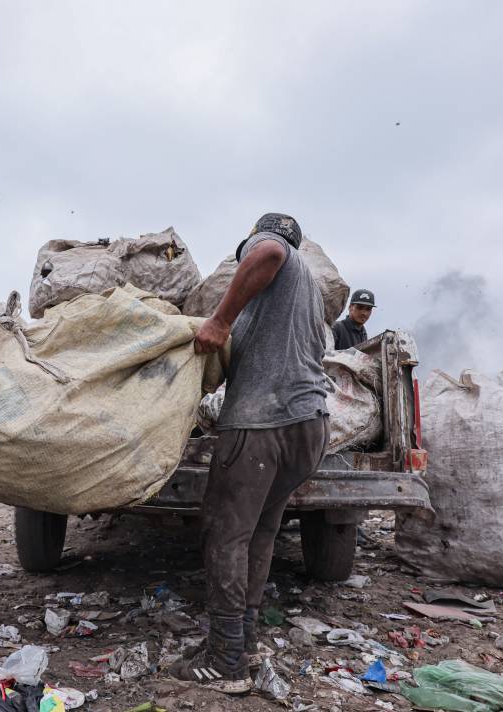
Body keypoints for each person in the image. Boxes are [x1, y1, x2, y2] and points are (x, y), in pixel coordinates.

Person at [170, 213, 331, 694]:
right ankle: (247, 638)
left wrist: (219, 320)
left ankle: (225, 659)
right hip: (310, 425)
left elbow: (268, 253)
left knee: (224, 534)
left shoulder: (275, 249)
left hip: (263, 425)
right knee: (260, 531)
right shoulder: (309, 294)